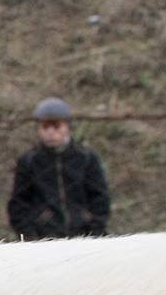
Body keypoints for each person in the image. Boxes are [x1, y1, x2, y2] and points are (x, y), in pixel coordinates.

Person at [7, 97, 109, 239]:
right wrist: (29, 236)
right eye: (45, 127)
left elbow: (100, 198)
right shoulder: (29, 161)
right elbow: (18, 204)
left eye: (56, 126)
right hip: (44, 238)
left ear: (67, 126)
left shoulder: (86, 157)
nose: (50, 132)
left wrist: (95, 229)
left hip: (85, 236)